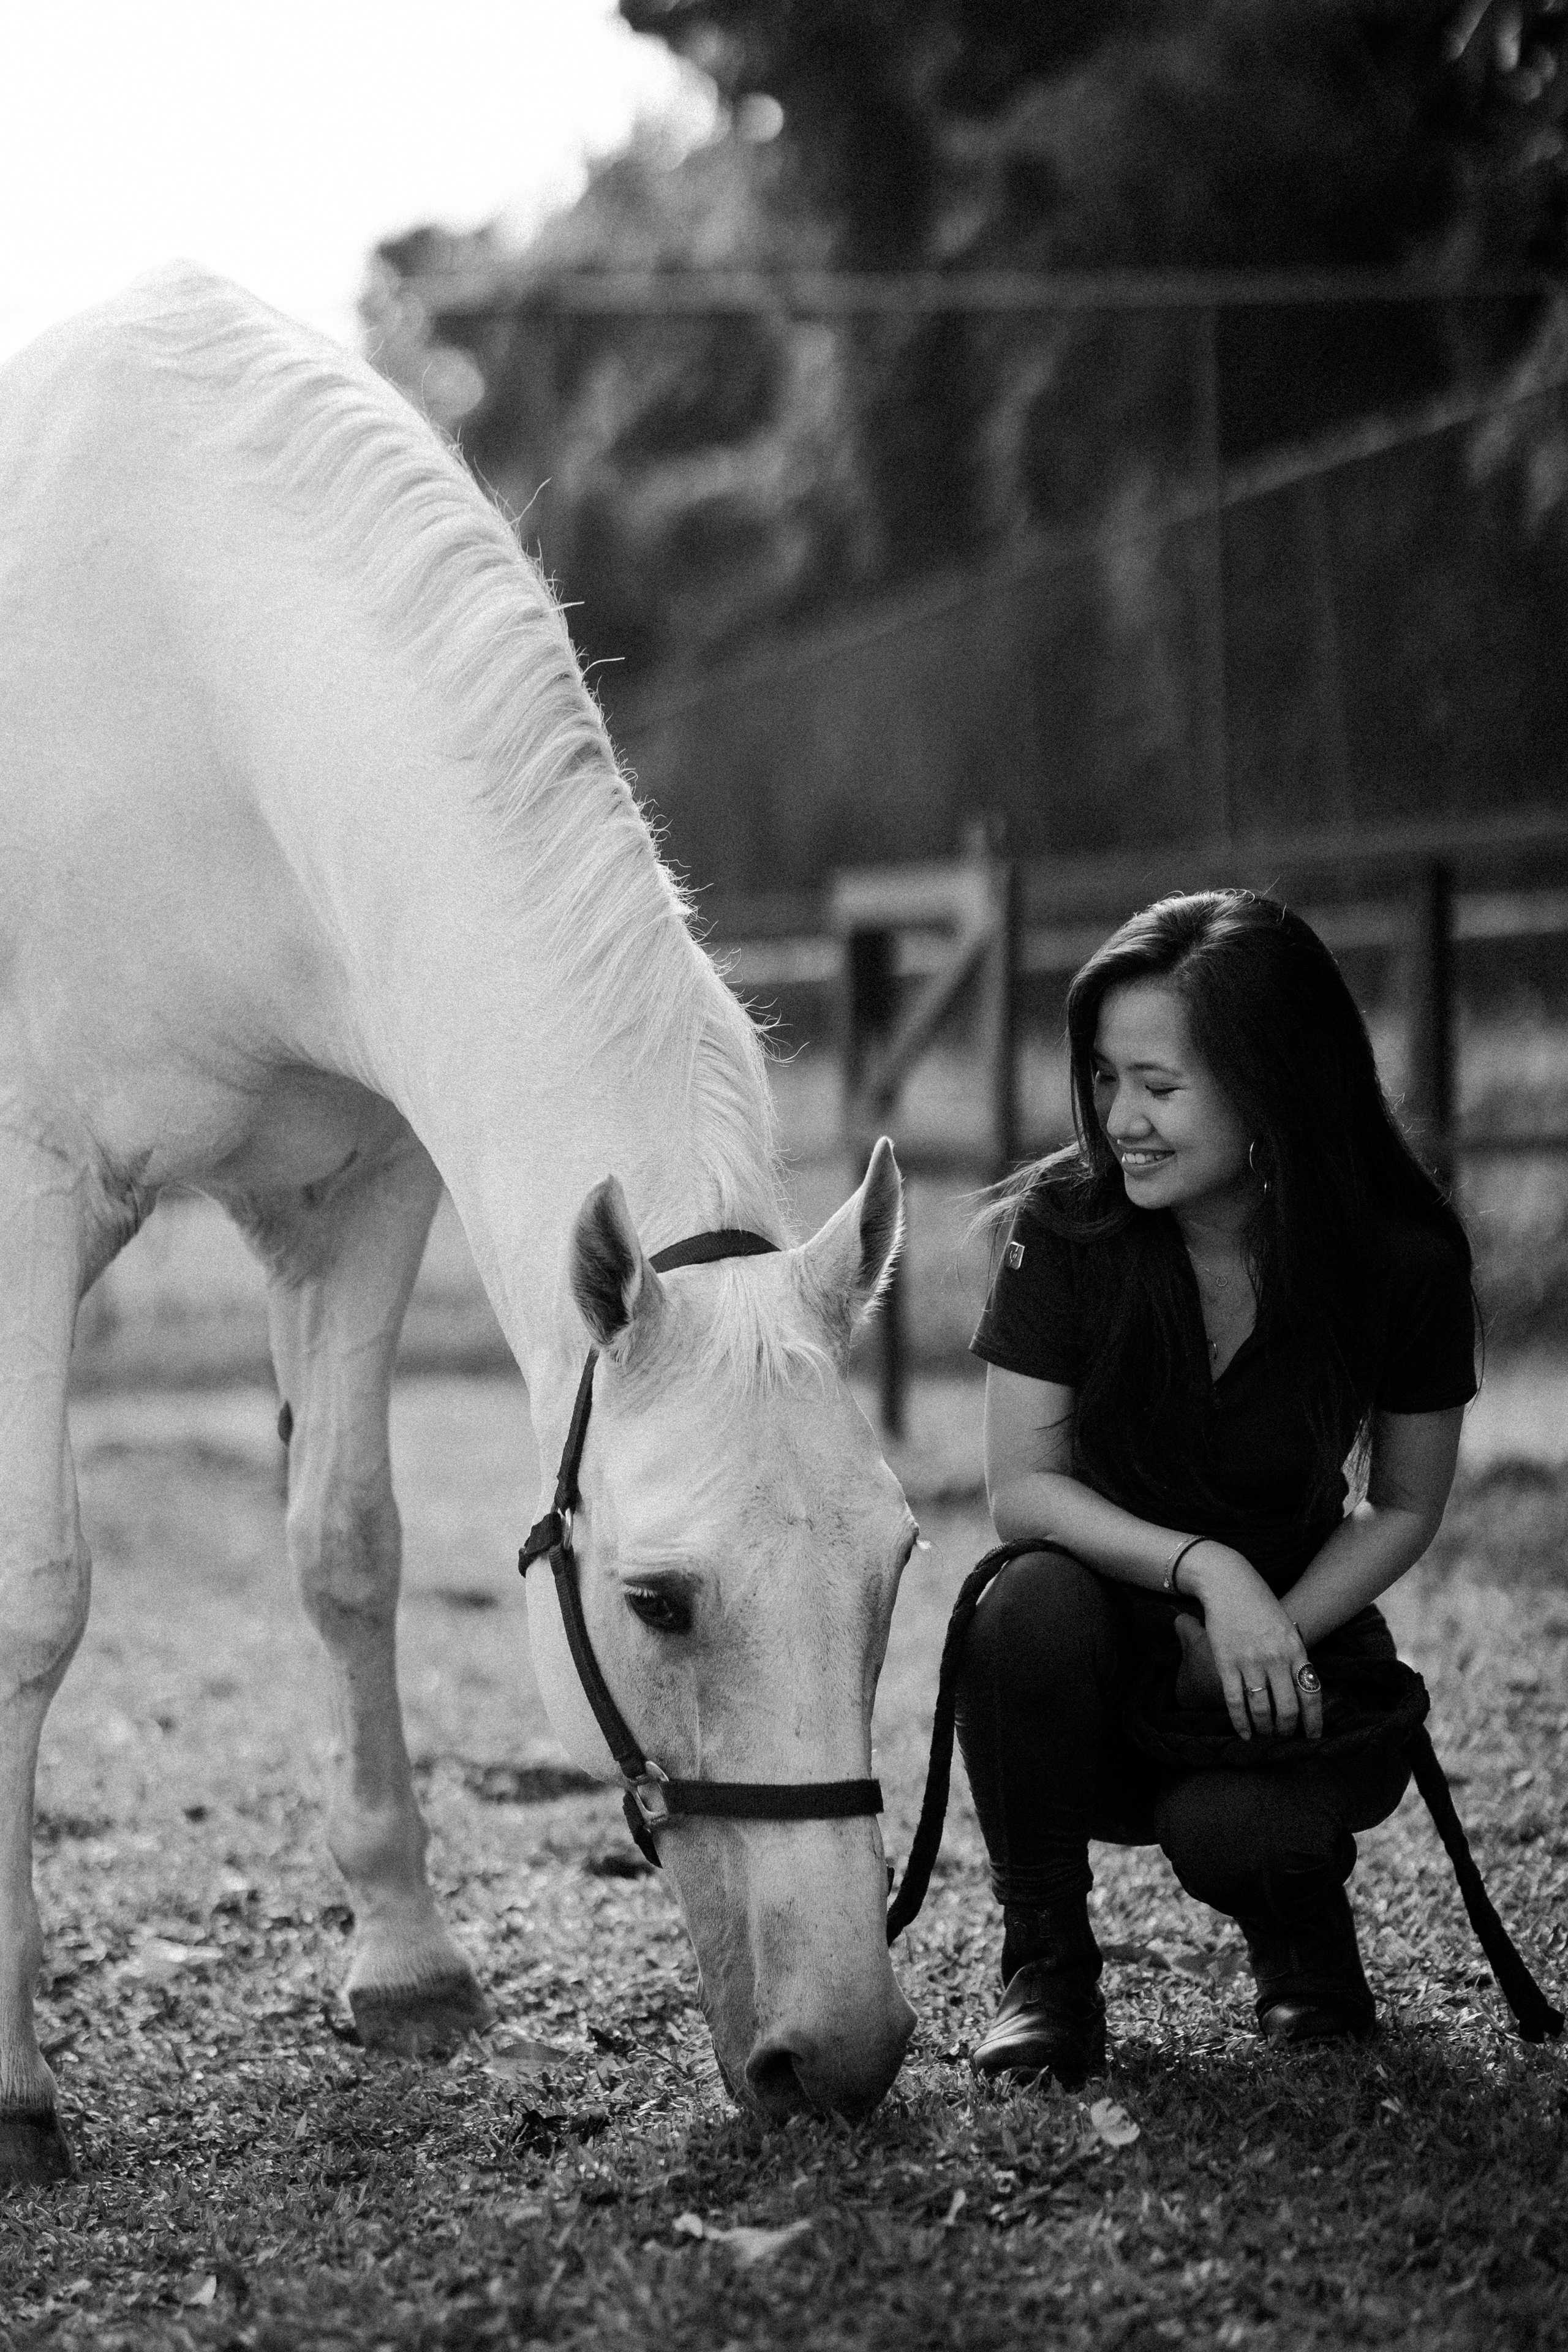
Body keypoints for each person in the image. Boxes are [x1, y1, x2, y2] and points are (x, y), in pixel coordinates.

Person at [957, 888, 1478, 2084]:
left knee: (1227, 1828)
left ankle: (1299, 1932)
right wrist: (1206, 1572)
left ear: (1268, 1086)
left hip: (1286, 1654)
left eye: (1157, 1084)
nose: (1118, 1119)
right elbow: (1021, 1493)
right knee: (1021, 1601)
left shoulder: (1400, 1256)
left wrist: (1267, 1632)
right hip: (1090, 1655)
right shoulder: (1067, 1229)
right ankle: (1045, 1967)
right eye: (1102, 1079)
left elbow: (1401, 1502)